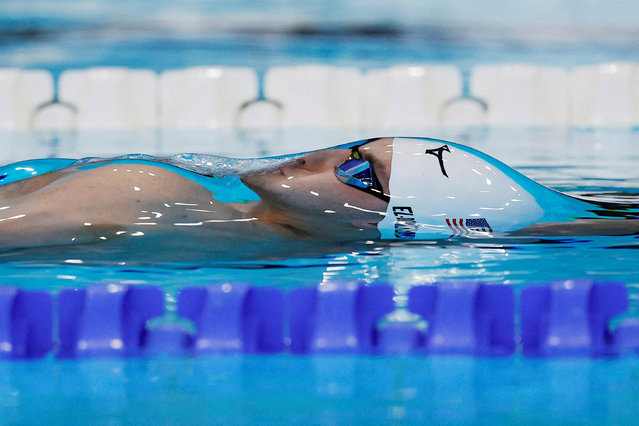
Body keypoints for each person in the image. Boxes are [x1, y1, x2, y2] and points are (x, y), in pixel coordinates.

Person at [0, 137, 637, 262]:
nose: (327, 158)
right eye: (357, 147)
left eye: (362, 174)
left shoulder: (257, 242)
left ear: (390, 224)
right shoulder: (146, 196)